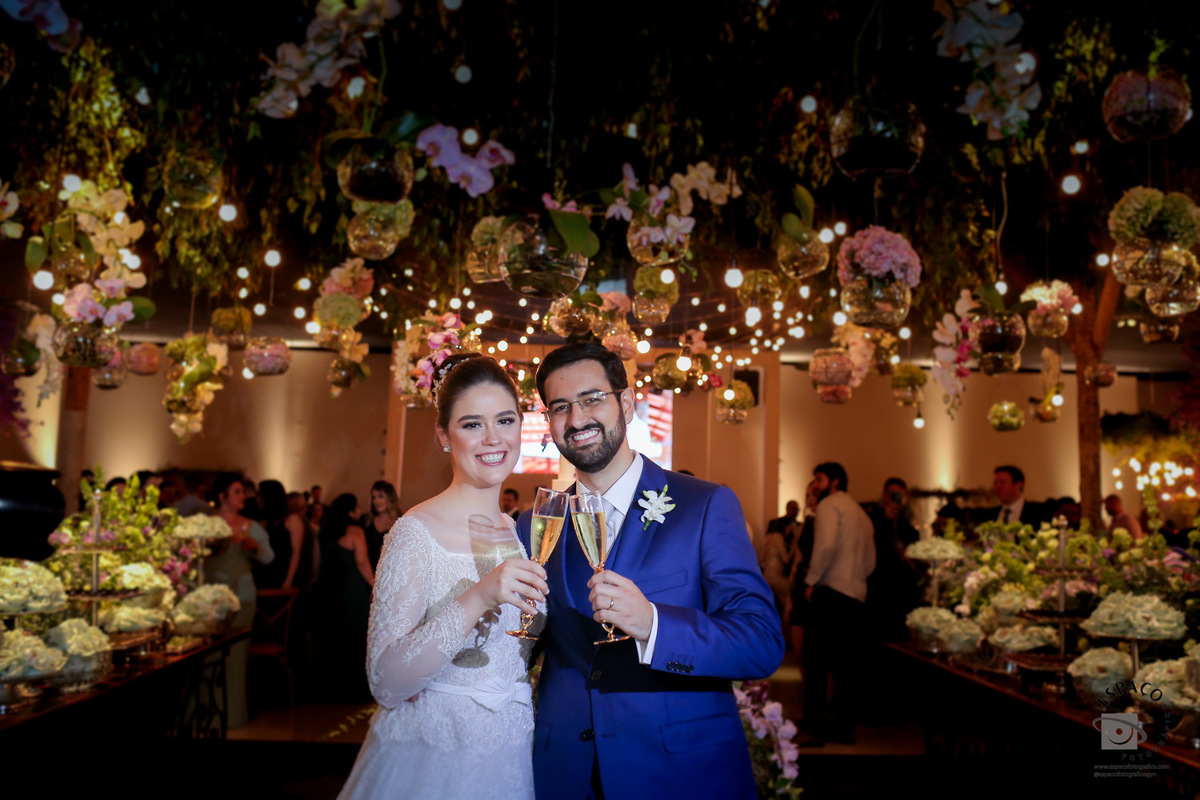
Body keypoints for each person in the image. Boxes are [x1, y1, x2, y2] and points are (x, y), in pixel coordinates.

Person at [521, 341, 783, 800]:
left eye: (591, 399)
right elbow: (524, 645)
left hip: (680, 773)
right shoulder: (537, 523)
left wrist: (653, 626)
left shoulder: (705, 505)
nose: (577, 419)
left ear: (626, 402)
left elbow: (760, 642)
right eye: (560, 407)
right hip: (565, 772)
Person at [337, 353, 546, 800]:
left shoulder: (516, 531)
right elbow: (385, 682)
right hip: (436, 756)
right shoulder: (415, 532)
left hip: (509, 752)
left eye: (505, 420)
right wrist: (478, 597)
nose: (493, 438)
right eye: (472, 424)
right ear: (444, 436)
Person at [799, 462, 875, 747]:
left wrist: (812, 581)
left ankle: (814, 727)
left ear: (833, 482)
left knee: (815, 662)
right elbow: (870, 561)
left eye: (818, 479)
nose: (815, 485)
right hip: (856, 596)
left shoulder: (830, 505)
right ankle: (843, 728)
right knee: (846, 667)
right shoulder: (861, 514)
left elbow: (825, 546)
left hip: (830, 592)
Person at [207, 472, 275, 729]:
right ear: (222, 496)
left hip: (243, 595)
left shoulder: (249, 526)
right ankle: (205, 713)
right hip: (208, 596)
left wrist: (253, 547)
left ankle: (233, 716)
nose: (242, 497)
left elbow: (269, 557)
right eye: (236, 492)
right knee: (207, 656)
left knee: (236, 655)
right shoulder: (206, 524)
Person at [313, 493, 375, 703]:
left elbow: (316, 562)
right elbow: (362, 561)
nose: (360, 512)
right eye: (357, 508)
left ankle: (329, 689)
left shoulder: (324, 531)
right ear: (350, 512)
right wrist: (375, 584)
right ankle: (354, 690)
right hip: (350, 590)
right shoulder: (355, 531)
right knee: (355, 636)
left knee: (331, 636)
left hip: (326, 588)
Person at [254, 479, 310, 590]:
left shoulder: (292, 520)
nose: (258, 500)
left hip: (282, 575)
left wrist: (289, 580)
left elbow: (296, 552)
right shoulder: (265, 522)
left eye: (260, 496)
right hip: (264, 574)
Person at [978, 465, 1051, 528]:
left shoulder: (1038, 512)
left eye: (1002, 482)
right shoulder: (990, 514)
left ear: (1018, 485)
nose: (997, 487)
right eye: (995, 483)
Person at [362, 480, 402, 572]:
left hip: (390, 572)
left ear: (390, 498)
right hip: (367, 574)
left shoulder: (400, 521)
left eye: (380, 496)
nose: (376, 501)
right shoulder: (366, 520)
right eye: (374, 497)